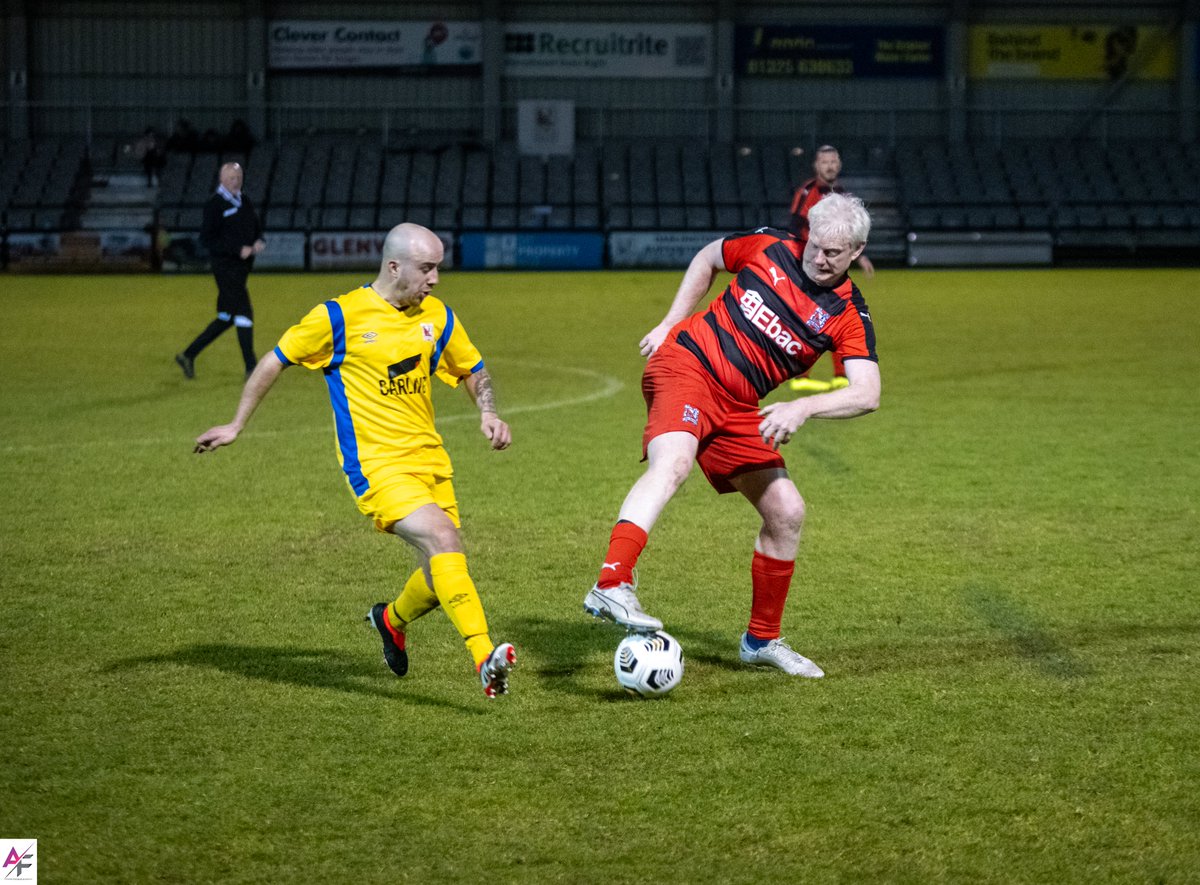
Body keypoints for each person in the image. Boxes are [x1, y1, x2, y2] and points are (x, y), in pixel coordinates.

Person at [193, 223, 518, 699]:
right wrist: (237, 423)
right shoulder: (339, 316)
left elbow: (472, 366)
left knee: (440, 570)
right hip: (377, 466)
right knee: (443, 538)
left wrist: (488, 410)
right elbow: (276, 359)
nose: (435, 280)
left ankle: (390, 620)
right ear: (394, 266)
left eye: (438, 269)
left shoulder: (436, 315)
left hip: (430, 460)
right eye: (426, 269)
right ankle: (484, 658)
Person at [584, 194, 880, 679]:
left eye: (833, 253)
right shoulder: (770, 247)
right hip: (687, 365)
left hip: (739, 407)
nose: (818, 258)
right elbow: (709, 256)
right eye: (815, 246)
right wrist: (670, 322)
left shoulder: (848, 313)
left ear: (857, 251)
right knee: (674, 463)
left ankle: (761, 640)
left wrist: (804, 405)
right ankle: (612, 581)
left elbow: (868, 393)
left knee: (787, 512)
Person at [787, 145, 875, 393]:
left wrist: (861, 258)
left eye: (834, 161)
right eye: (825, 161)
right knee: (811, 320)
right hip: (810, 268)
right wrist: (797, 264)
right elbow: (794, 229)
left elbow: (848, 235)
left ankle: (839, 374)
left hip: (832, 269)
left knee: (837, 315)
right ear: (816, 165)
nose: (830, 166)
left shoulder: (843, 195)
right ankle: (800, 376)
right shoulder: (807, 191)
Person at [175, 162, 265, 380]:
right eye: (233, 178)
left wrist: (258, 240)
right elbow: (206, 239)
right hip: (225, 269)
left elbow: (255, 225)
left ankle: (188, 355)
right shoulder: (214, 205)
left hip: (241, 269)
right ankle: (251, 368)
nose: (238, 181)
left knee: (226, 318)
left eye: (240, 177)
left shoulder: (244, 200)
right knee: (244, 313)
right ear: (222, 180)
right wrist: (237, 249)